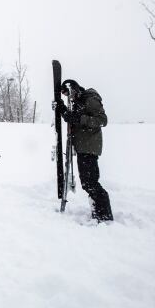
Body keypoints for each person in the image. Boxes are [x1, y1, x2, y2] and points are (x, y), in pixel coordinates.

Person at [56, 79, 114, 222]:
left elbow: (102, 120)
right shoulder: (77, 102)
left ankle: (104, 216)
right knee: (87, 182)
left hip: (89, 147)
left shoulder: (89, 99)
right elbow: (74, 119)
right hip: (83, 146)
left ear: (74, 90)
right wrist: (63, 109)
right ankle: (99, 212)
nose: (68, 98)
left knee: (90, 182)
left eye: (68, 94)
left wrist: (80, 118)